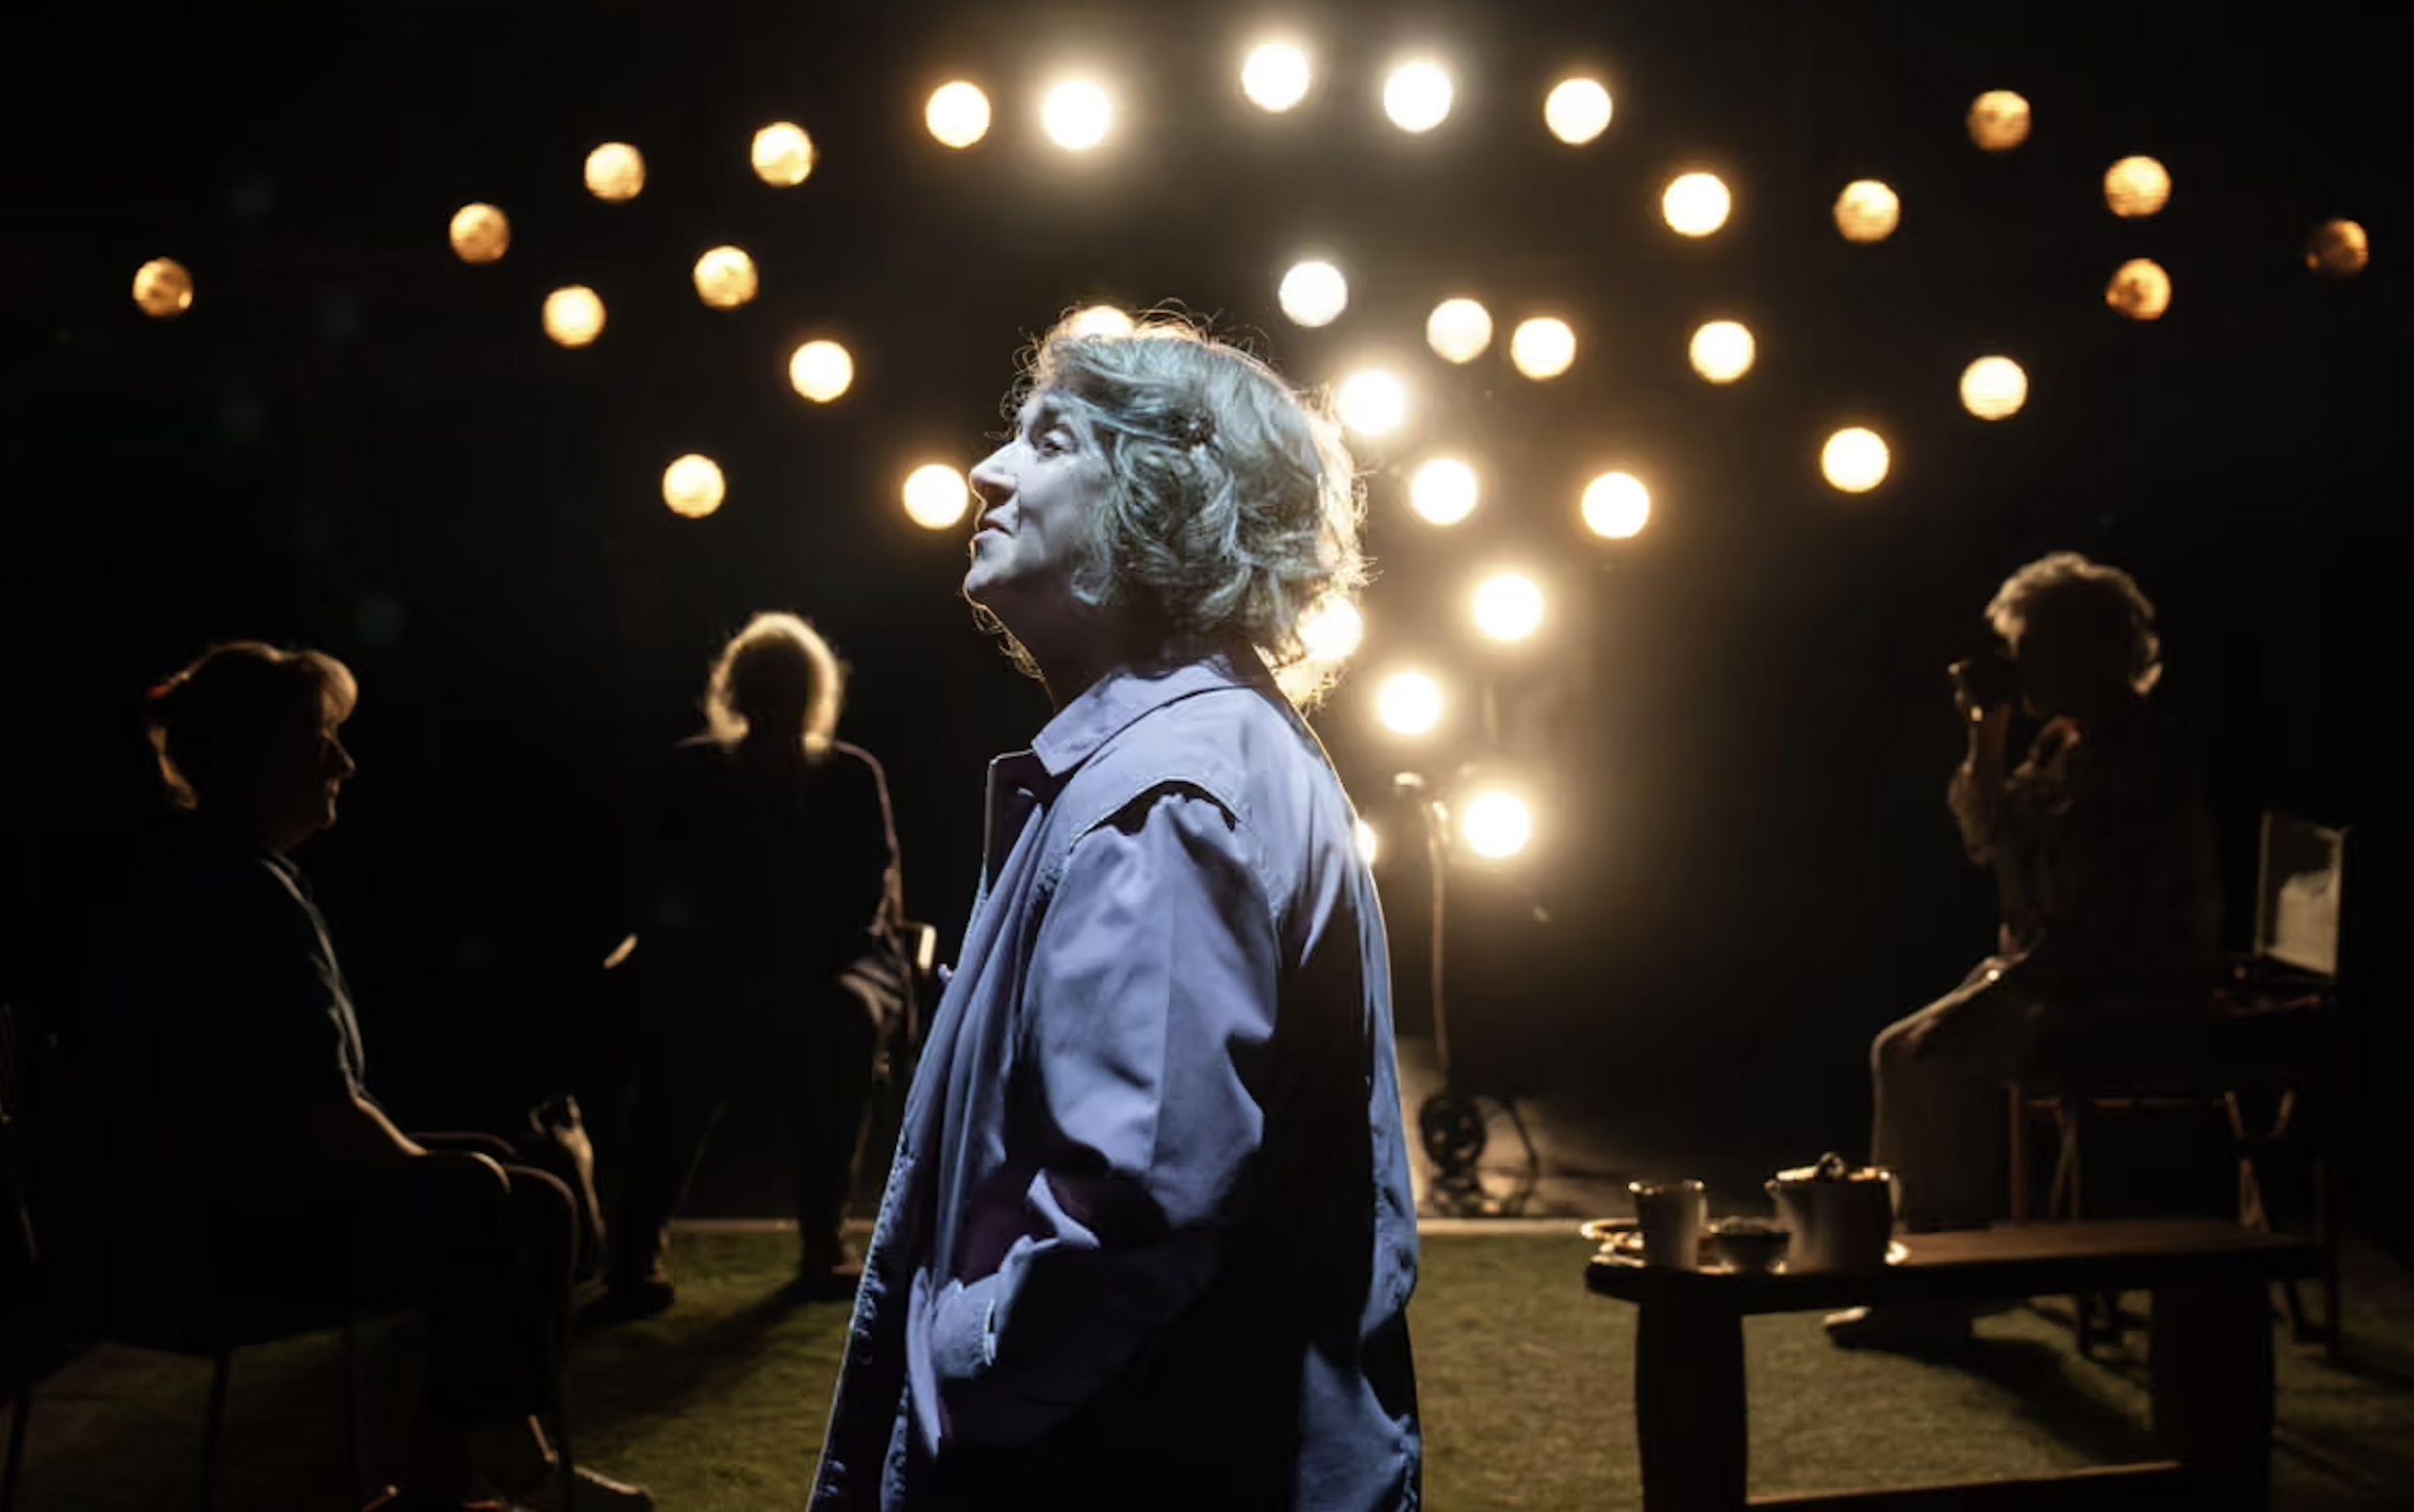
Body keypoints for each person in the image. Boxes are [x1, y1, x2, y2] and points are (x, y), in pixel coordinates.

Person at [810, 316, 1421, 1511]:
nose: (988, 471)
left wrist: (965, 1363)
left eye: (1049, 440)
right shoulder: (1187, 759)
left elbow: (1130, 1206)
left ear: (1161, 494)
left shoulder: (1167, 797)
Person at [70, 641, 650, 1511]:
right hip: (217, 1231)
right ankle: (469, 1483)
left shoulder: (201, 871)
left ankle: (470, 1476)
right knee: (503, 1199)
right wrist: (436, 1169)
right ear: (258, 755)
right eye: (320, 738)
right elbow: (315, 1111)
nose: (343, 759)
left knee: (500, 1176)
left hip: (198, 1205)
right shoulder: (242, 893)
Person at [1829, 552, 2222, 1350]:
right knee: (1900, 1051)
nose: (2017, 663)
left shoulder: (2132, 754)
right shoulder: (2064, 742)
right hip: (2054, 974)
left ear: (2087, 651)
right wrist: (1987, 732)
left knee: (1926, 1060)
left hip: (2122, 985)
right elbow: (1992, 840)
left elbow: (2094, 919)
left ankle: (1947, 1285)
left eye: (2035, 645)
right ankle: (1929, 1272)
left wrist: (1989, 995)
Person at [591, 613, 904, 1320]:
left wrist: (787, 969)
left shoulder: (849, 776)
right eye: (762, 688)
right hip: (714, 969)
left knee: (845, 1019)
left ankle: (823, 1238)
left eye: (786, 688)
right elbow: (658, 889)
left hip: (828, 969)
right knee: (686, 1030)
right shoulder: (692, 772)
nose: (773, 703)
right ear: (737, 693)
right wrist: (727, 966)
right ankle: (636, 1248)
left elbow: (864, 897)